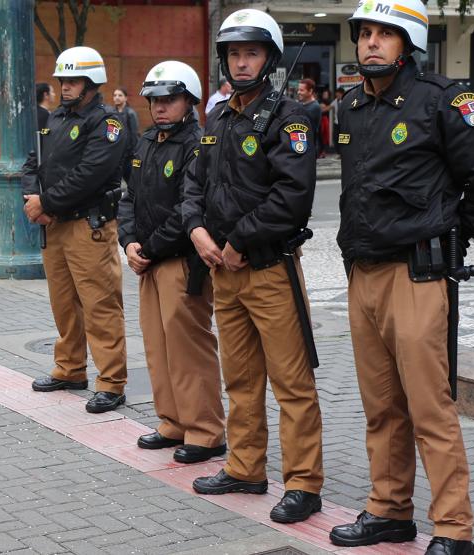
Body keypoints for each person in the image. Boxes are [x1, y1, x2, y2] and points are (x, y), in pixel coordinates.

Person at [329, 1, 474, 554]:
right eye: (364, 33)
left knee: (429, 407)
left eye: (384, 34)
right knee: (380, 406)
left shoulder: (443, 101)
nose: (370, 43)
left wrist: (451, 236)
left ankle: (454, 530)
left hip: (416, 275)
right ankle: (389, 511)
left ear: (407, 42)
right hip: (363, 275)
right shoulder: (353, 105)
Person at [183, 8, 324, 524]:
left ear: (269, 58)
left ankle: (304, 485)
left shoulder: (289, 117)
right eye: (234, 54)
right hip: (223, 272)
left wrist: (240, 240)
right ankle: (244, 468)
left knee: (292, 383)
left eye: (252, 53)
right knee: (239, 379)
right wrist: (196, 230)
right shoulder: (218, 117)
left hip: (268, 270)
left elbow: (293, 195)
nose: (241, 63)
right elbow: (194, 184)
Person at [117, 60, 227, 463]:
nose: (160, 107)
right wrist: (128, 241)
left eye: (170, 99)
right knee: (157, 347)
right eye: (155, 100)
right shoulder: (147, 142)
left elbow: (189, 208)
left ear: (190, 101)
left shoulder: (198, 145)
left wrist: (148, 249)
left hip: (180, 261)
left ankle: (206, 430)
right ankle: (173, 421)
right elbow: (128, 198)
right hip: (149, 261)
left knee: (189, 348)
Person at [22, 46, 129, 414]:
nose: (65, 86)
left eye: (73, 80)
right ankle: (70, 368)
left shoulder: (107, 122)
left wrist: (46, 204)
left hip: (88, 225)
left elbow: (91, 173)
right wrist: (32, 197)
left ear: (91, 83)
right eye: (63, 80)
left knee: (100, 305)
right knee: (64, 303)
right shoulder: (55, 119)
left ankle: (112, 383)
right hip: (55, 226)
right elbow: (33, 162)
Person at [113, 87, 140, 180]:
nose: (117, 97)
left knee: (131, 180)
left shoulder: (130, 113)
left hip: (128, 155)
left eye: (120, 95)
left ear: (125, 98)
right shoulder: (111, 114)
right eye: (115, 95)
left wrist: (132, 153)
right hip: (116, 154)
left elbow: (134, 135)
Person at [296, 79, 321, 156]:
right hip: (301, 145)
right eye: (298, 90)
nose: (298, 92)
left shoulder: (314, 107)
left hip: (309, 148)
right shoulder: (301, 104)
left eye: (301, 90)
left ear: (310, 91)